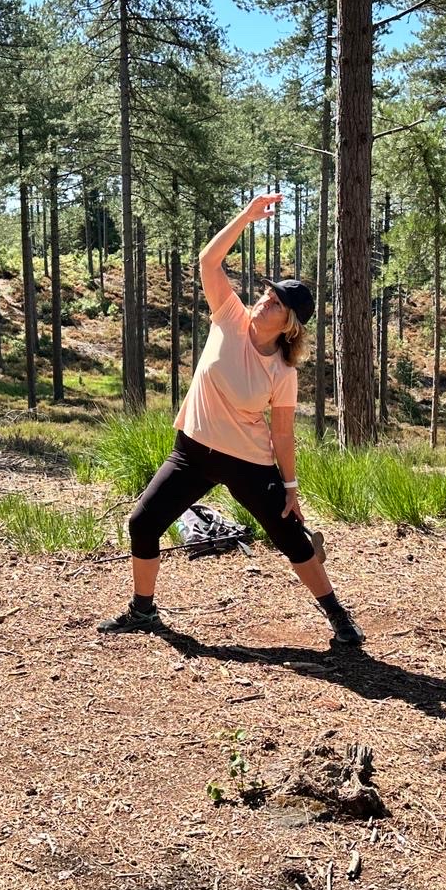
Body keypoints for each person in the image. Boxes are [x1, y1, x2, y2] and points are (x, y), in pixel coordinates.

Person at [98, 192, 364, 645]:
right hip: (192, 453)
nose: (265, 302)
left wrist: (292, 489)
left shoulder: (282, 371)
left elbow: (282, 433)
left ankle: (338, 616)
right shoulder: (229, 317)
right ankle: (143, 611)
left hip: (248, 463)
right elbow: (208, 260)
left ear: (290, 326)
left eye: (277, 303)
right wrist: (247, 215)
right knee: (142, 524)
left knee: (291, 537)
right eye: (267, 293)